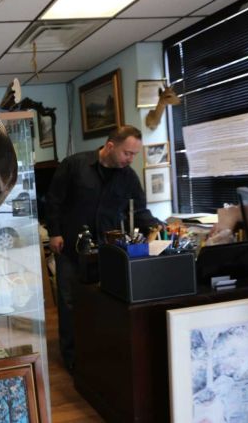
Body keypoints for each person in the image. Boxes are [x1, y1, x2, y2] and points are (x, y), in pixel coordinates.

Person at [45, 125, 161, 372]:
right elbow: (53, 200)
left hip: (107, 252)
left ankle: (98, 357)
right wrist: (54, 232)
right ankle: (72, 359)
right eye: (127, 153)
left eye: (134, 155)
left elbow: (140, 212)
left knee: (103, 304)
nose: (130, 159)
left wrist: (160, 228)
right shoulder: (74, 165)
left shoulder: (128, 176)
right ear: (110, 146)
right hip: (70, 247)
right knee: (69, 304)